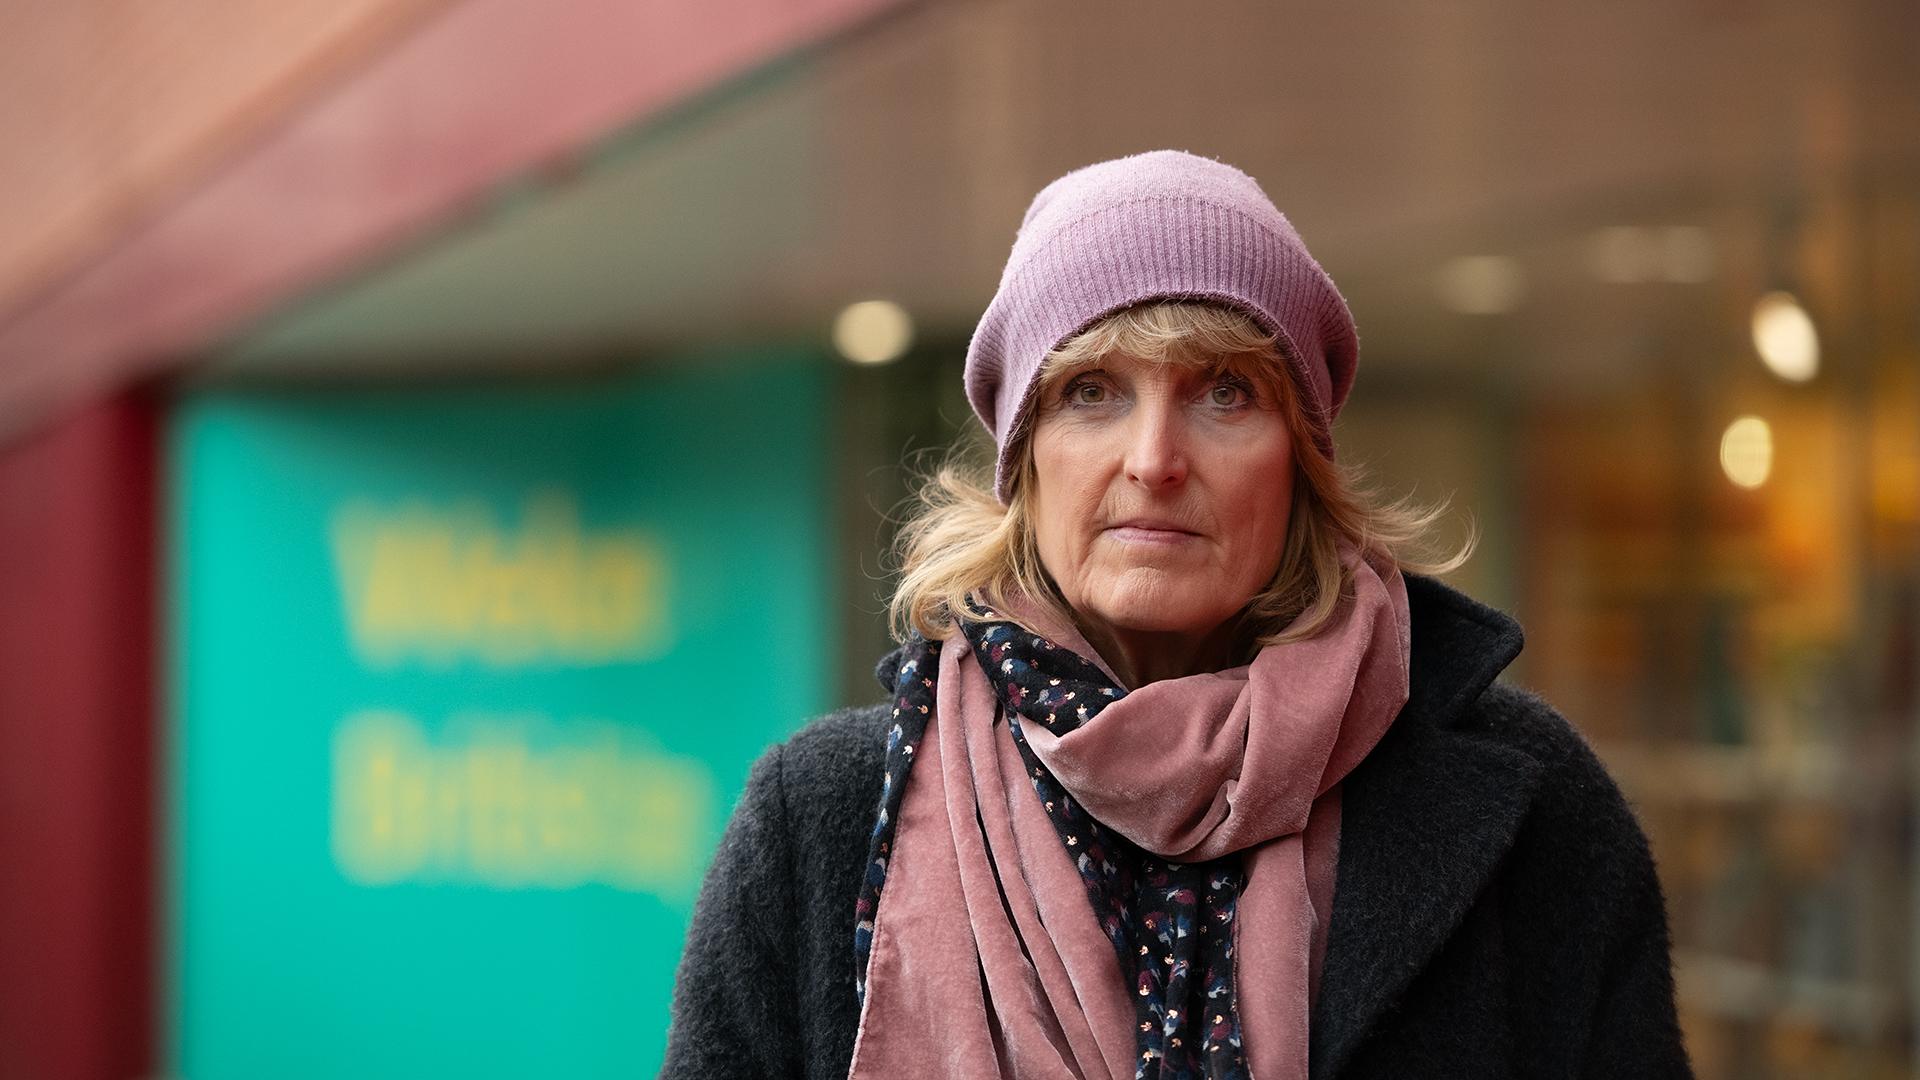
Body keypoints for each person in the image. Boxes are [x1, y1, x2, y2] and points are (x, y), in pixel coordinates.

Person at [662, 150, 1691, 1079]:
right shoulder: (815, 822)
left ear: (1303, 460)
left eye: (1226, 394)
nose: (1153, 460)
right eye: (1092, 393)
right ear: (1024, 461)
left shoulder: (1537, 812)